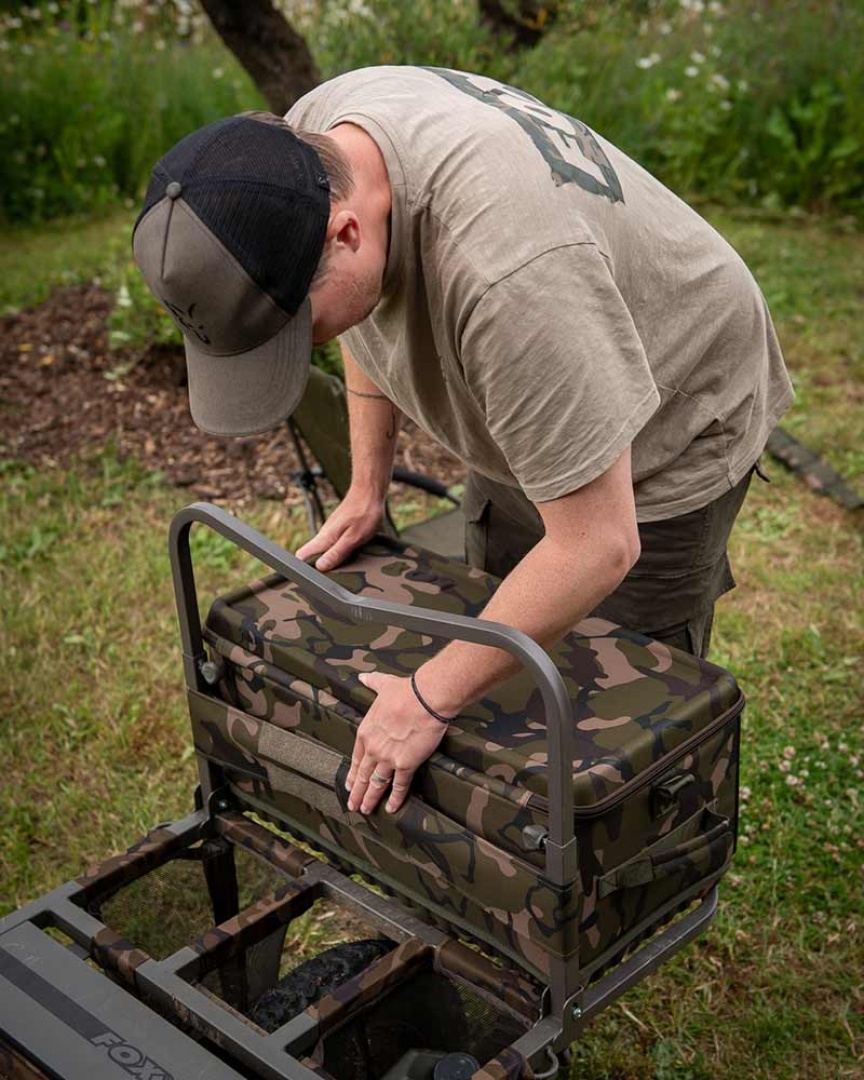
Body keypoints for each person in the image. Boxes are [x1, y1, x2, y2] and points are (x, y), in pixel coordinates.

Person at [133, 65, 794, 820]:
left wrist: (425, 696)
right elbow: (359, 310)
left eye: (295, 332)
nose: (306, 343)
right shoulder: (310, 149)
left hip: (674, 406)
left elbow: (598, 545)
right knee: (503, 642)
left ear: (346, 231)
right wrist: (366, 485)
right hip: (548, 359)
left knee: (612, 706)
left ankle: (617, 883)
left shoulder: (507, 276)